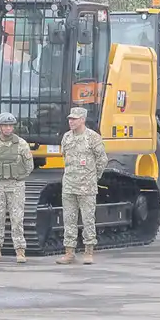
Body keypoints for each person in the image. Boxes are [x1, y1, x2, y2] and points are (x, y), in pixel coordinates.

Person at [0, 112, 34, 263]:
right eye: (5, 126)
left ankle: (20, 251)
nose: (8, 128)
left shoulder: (21, 144)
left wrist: (16, 176)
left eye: (11, 125)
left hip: (15, 186)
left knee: (17, 219)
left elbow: (29, 165)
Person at [56, 106, 107, 265]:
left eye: (74, 119)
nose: (71, 122)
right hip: (69, 185)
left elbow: (102, 160)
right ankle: (69, 252)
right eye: (70, 119)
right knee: (69, 219)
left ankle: (88, 251)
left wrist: (92, 177)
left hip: (87, 186)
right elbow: (65, 158)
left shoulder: (93, 138)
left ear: (83, 120)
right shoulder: (66, 137)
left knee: (88, 219)